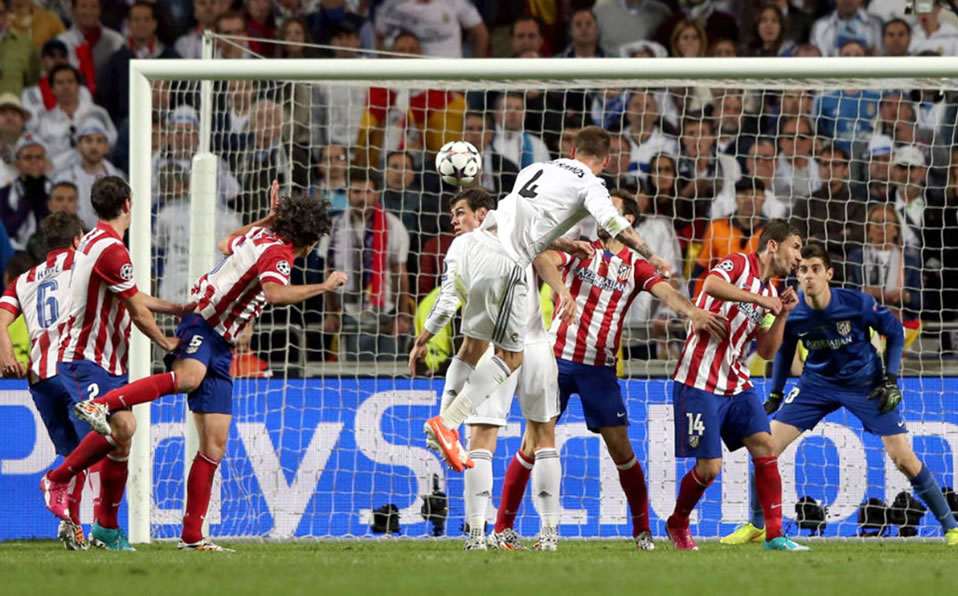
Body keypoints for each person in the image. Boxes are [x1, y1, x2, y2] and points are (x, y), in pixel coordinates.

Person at [71, 180, 348, 551]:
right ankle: (104, 404)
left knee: (214, 444)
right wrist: (324, 287)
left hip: (223, 344)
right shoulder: (278, 253)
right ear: (310, 240)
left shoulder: (261, 237)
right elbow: (275, 293)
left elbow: (225, 243)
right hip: (203, 323)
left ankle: (192, 536)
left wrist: (266, 218)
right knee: (188, 377)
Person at [411, 126, 671, 476]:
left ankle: (446, 427)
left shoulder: (535, 170)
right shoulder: (590, 185)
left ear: (572, 149)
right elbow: (613, 222)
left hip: (476, 250)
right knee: (511, 357)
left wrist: (564, 245)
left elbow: (523, 223)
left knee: (472, 346)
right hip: (508, 265)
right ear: (606, 161)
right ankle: (448, 422)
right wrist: (652, 255)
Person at [507, 188, 726, 551]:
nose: (604, 217)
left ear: (630, 223)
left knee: (622, 450)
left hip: (599, 370)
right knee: (531, 445)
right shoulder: (582, 249)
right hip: (556, 360)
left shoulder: (637, 267)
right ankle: (504, 528)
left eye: (614, 212)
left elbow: (666, 292)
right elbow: (542, 258)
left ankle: (642, 531)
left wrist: (692, 313)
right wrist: (561, 288)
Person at [720, 243, 958, 547]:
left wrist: (892, 379)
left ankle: (951, 527)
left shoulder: (856, 304)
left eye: (815, 269)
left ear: (829, 273)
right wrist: (777, 393)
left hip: (866, 384)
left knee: (903, 458)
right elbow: (784, 351)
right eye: (803, 269)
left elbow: (895, 331)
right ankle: (757, 525)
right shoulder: (794, 313)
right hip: (815, 385)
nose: (808, 276)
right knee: (764, 447)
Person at [37, 176, 193, 551]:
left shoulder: (94, 240)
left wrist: (176, 308)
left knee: (121, 442)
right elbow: (137, 311)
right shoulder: (112, 251)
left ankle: (106, 528)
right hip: (84, 358)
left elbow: (131, 294)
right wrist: (165, 342)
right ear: (128, 204)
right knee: (122, 425)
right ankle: (58, 478)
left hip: (109, 360)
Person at [668, 219, 808, 551]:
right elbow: (710, 286)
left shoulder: (772, 293)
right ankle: (677, 522)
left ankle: (774, 534)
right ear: (773, 245)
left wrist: (783, 314)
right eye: (796, 246)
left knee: (765, 444)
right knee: (709, 468)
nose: (799, 257)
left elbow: (766, 350)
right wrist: (759, 301)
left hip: (735, 379)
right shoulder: (739, 262)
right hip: (697, 379)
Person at [0, 212, 87, 549]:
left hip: (39, 380)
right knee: (95, 448)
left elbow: (1, 318)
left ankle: (71, 526)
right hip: (73, 370)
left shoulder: (24, 279)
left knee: (72, 454)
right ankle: (88, 518)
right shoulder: (84, 263)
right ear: (77, 239)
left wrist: (7, 356)